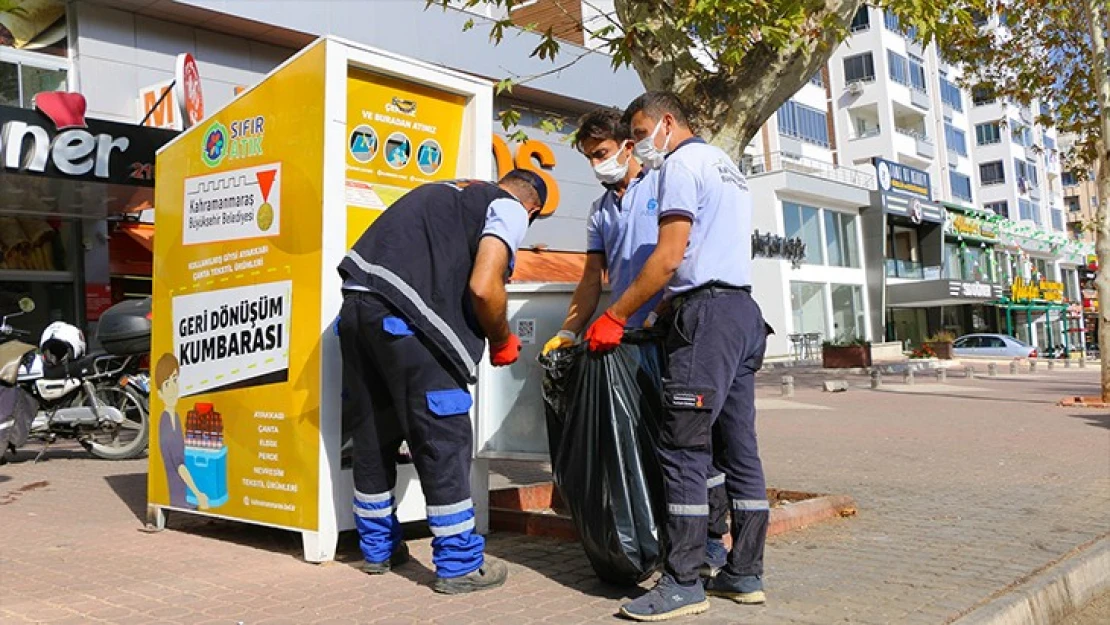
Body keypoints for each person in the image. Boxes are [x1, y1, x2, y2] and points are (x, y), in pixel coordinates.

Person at [584, 92, 769, 621]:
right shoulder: (726, 166)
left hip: (707, 317)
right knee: (739, 449)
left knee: (683, 446)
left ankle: (684, 581)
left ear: (667, 122)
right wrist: (662, 308)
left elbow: (670, 257)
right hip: (743, 313)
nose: (640, 144)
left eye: (640, 132)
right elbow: (704, 254)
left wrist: (616, 314)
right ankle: (745, 571)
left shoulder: (682, 165)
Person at [337, 169, 547, 595]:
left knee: (373, 432)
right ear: (533, 209)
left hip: (357, 310)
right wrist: (501, 339)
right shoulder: (506, 208)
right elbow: (485, 287)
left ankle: (378, 550)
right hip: (413, 322)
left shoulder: (442, 190)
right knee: (443, 438)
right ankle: (458, 563)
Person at [541, 107, 731, 575]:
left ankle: (710, 540)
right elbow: (591, 280)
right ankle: (662, 537)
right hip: (625, 344)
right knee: (647, 441)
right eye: (588, 157)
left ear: (629, 145)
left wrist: (659, 309)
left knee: (688, 440)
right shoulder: (600, 210)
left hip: (673, 333)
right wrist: (568, 330)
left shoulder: (663, 185)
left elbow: (680, 255)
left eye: (601, 153)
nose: (596, 164)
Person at [154, 353, 209, 510]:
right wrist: (198, 494)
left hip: (185, 492)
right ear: (159, 393)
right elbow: (178, 464)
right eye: (166, 384)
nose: (172, 388)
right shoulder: (165, 421)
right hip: (181, 496)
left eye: (175, 381)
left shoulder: (175, 416)